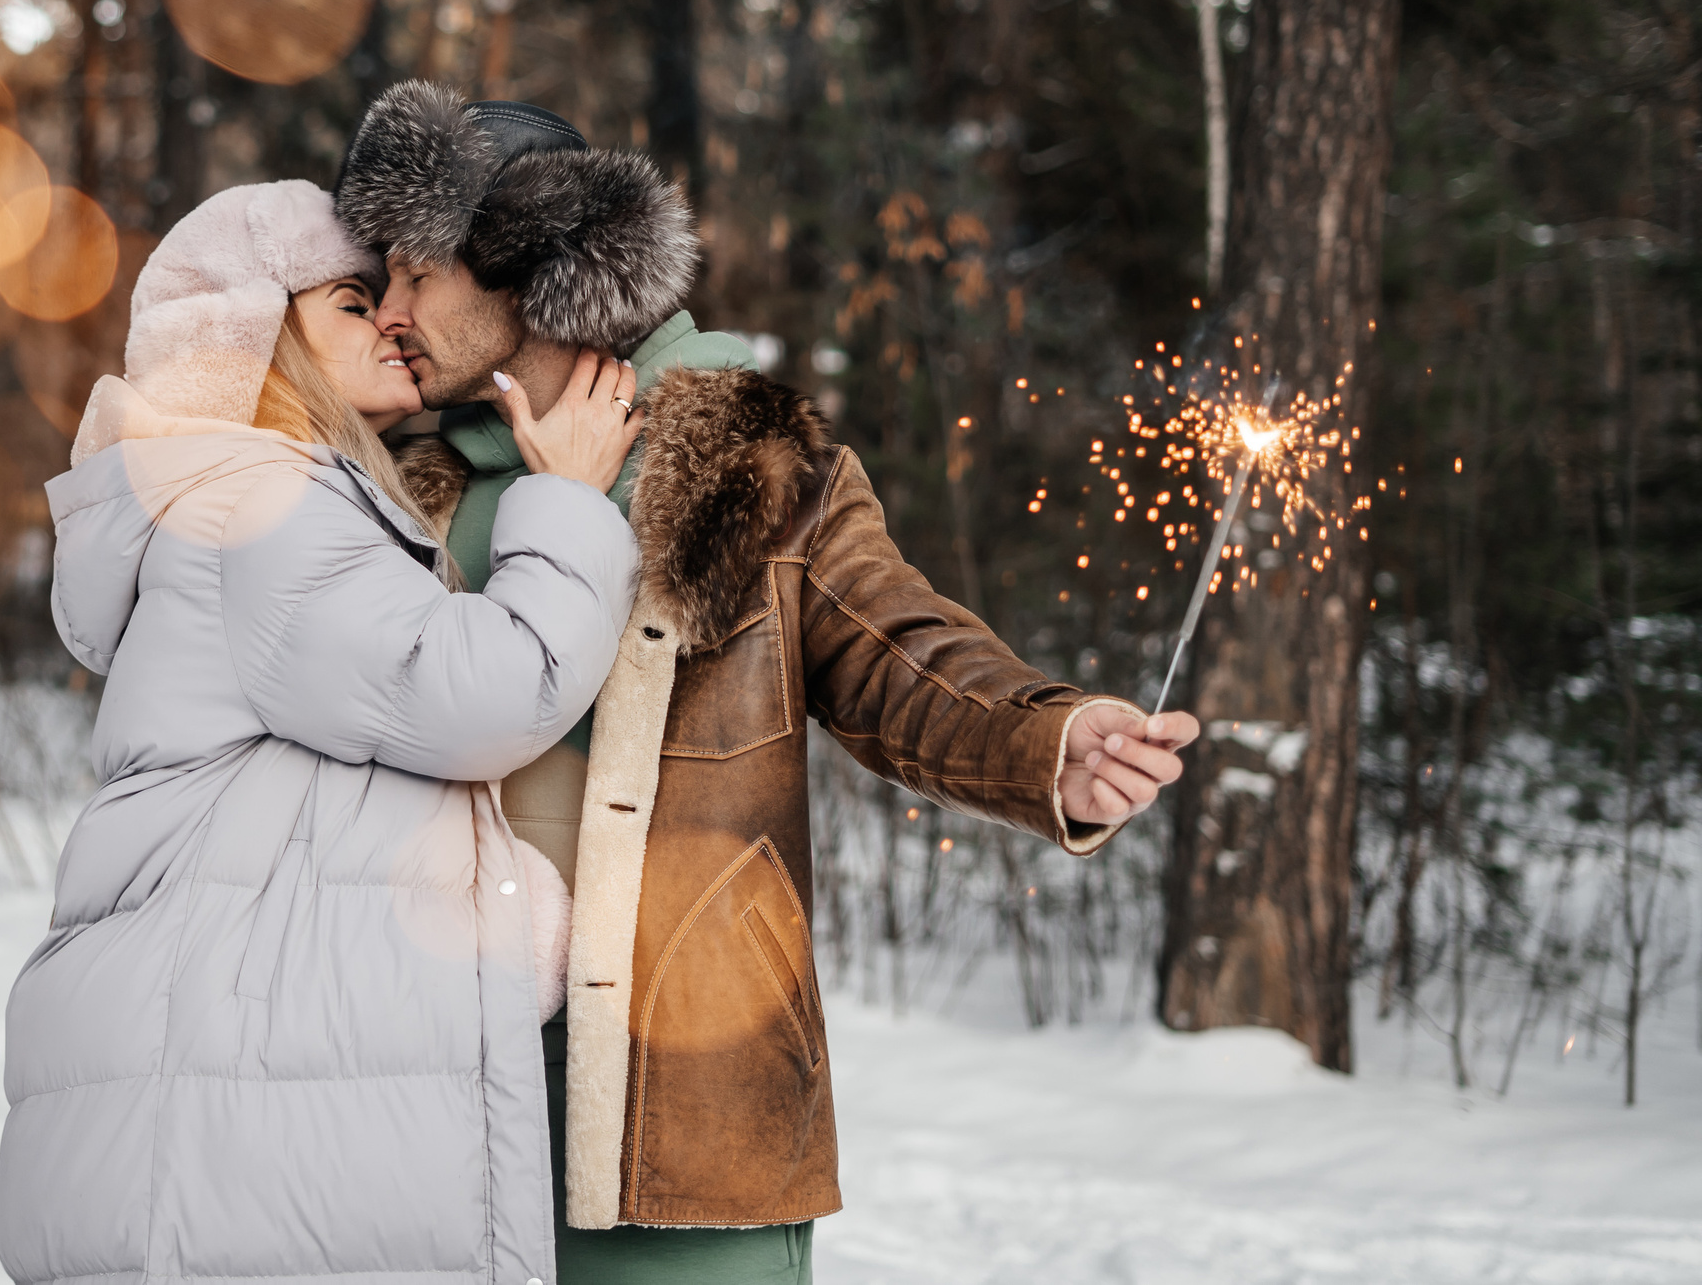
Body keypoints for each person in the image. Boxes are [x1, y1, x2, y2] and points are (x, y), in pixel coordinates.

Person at [334, 83, 1201, 1284]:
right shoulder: (394, 487)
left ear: (523, 265)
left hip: (686, 1085)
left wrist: (1050, 742)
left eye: (416, 273)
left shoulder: (746, 465)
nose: (390, 310)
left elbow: (898, 650)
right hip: (425, 1092)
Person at [0, 179, 645, 1285]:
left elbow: (317, 792)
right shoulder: (263, 500)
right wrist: (572, 498)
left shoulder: (240, 498)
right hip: (241, 1142)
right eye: (352, 300)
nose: (393, 317)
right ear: (256, 335)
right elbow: (487, 695)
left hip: (210, 1117)